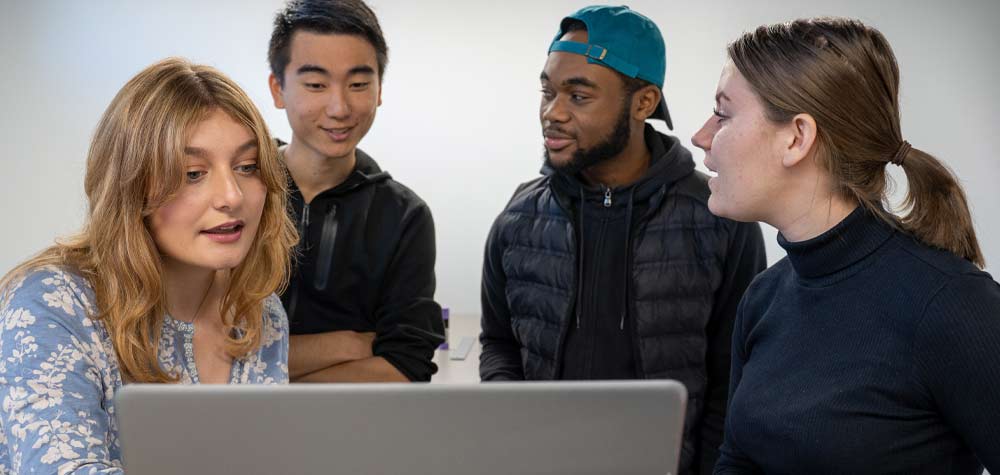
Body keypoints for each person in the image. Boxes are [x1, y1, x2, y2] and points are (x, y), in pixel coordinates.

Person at [691, 18, 1000, 475]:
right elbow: (737, 460)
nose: (701, 136)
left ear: (797, 137)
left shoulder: (953, 304)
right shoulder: (763, 299)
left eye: (724, 114)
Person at [479, 6, 766, 474]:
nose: (553, 112)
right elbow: (499, 344)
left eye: (579, 95)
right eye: (548, 91)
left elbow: (733, 375)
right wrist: (513, 434)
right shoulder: (519, 215)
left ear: (644, 102)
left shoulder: (719, 217)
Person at [0, 57, 298, 474]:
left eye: (247, 167)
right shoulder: (51, 305)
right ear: (131, 186)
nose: (231, 195)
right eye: (193, 173)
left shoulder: (259, 311)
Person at [267, 0, 444, 383]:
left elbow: (406, 364)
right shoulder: (237, 192)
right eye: (315, 84)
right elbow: (205, 350)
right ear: (277, 88)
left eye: (359, 84)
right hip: (227, 427)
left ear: (379, 88)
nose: (339, 107)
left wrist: (264, 383)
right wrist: (347, 345)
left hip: (355, 432)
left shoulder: (404, 216)